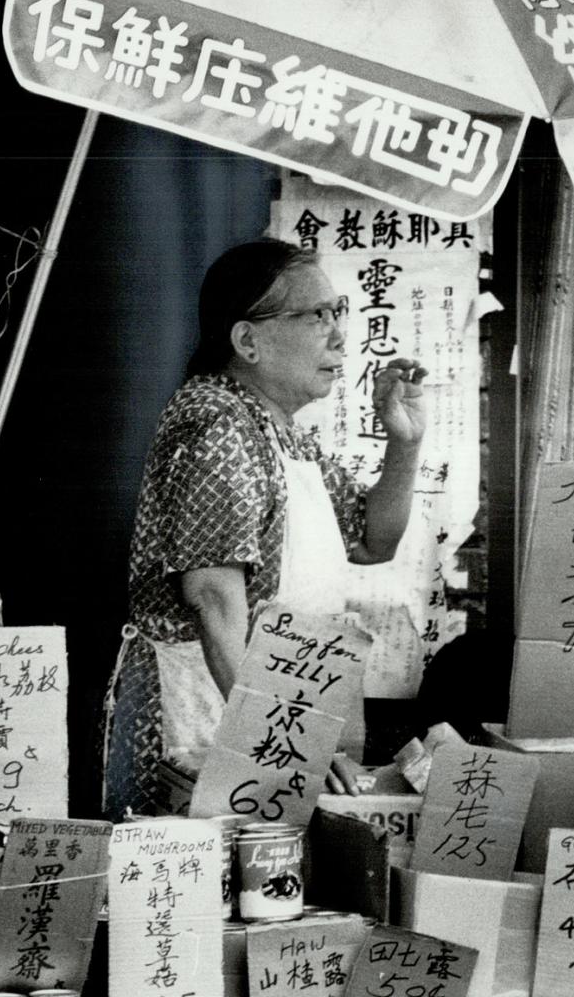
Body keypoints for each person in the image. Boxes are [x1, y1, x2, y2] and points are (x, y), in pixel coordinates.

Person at [104, 238, 427, 818]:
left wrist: (404, 443)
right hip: (203, 721)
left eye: (338, 313)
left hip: (275, 714)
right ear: (247, 339)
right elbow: (214, 599)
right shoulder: (218, 424)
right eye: (315, 316)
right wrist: (284, 739)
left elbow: (372, 542)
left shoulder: (280, 429)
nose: (338, 335)